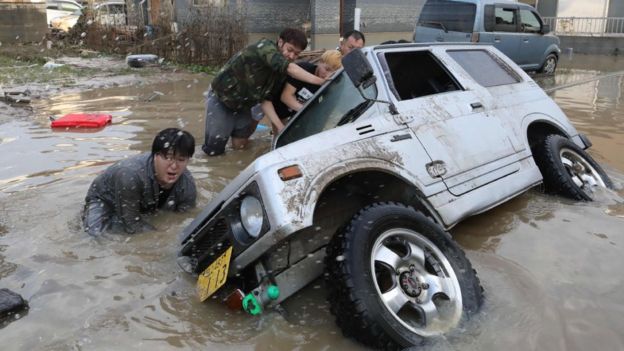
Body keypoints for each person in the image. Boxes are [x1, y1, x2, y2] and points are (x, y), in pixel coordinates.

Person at [203, 28, 326, 156]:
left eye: (296, 54)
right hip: (221, 98)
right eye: (290, 50)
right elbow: (290, 68)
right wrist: (322, 82)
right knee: (214, 150)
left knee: (240, 146)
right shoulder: (265, 47)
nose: (291, 56)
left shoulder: (280, 74)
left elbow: (265, 100)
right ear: (280, 42)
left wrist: (281, 127)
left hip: (244, 104)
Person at [83, 128, 197, 236]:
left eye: (181, 160)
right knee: (94, 234)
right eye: (168, 158)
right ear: (155, 156)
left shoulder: (187, 184)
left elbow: (185, 217)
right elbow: (131, 224)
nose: (174, 166)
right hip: (106, 200)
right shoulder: (129, 175)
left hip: (147, 202)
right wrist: (161, 237)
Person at [261, 50, 343, 133]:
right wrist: (308, 112)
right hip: (275, 104)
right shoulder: (303, 69)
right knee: (276, 132)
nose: (327, 75)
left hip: (295, 110)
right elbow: (286, 97)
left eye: (333, 73)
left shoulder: (330, 83)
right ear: (320, 62)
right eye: (326, 69)